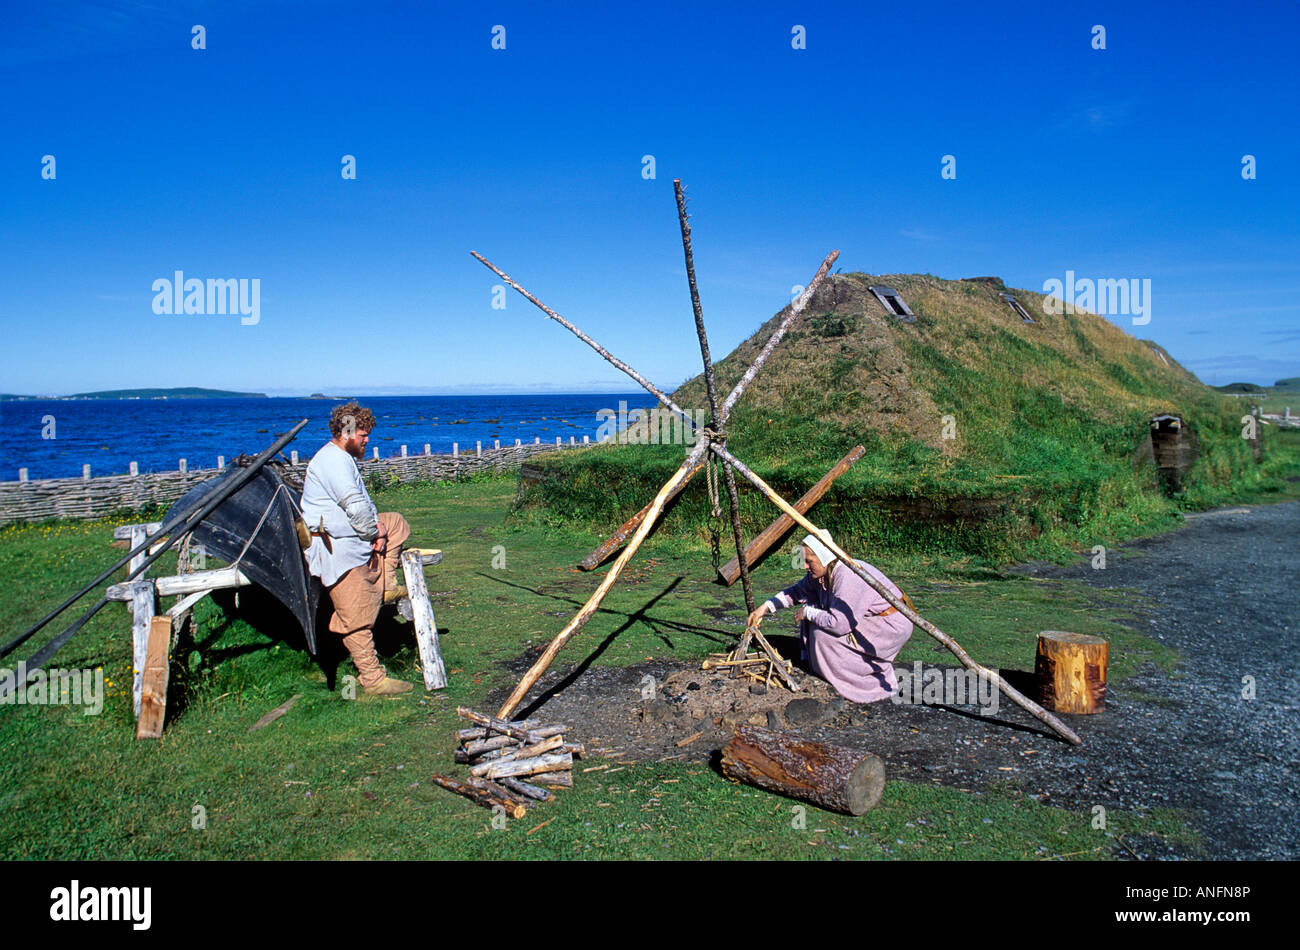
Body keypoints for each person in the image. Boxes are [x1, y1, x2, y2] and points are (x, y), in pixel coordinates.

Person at [299, 401, 418, 697]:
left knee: (396, 524)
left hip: (355, 535)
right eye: (362, 435)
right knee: (356, 616)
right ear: (346, 431)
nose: (367, 440)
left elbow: (364, 505)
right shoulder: (332, 461)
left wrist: (377, 529)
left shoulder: (343, 458)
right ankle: (372, 678)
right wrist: (372, 532)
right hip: (334, 545)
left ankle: (387, 583)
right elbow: (354, 505)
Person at [747, 530, 912, 703]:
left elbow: (840, 624)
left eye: (809, 561)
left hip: (889, 625)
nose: (804, 566)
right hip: (870, 619)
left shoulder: (847, 575)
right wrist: (764, 608)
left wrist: (808, 613)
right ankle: (828, 669)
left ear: (824, 557)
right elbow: (797, 592)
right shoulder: (821, 574)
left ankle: (863, 684)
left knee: (823, 635)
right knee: (815, 614)